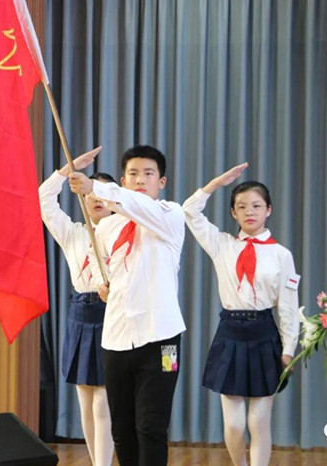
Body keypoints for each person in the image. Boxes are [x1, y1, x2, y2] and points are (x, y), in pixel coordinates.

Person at [68, 145, 186, 466]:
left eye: (148, 173)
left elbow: (135, 205)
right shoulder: (107, 227)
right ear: (123, 180)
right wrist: (101, 284)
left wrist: (95, 188)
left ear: (161, 181)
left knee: (151, 425)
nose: (140, 180)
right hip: (117, 338)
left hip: (163, 340)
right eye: (133, 174)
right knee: (121, 429)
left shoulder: (170, 215)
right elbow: (96, 261)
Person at [182, 162, 300, 466]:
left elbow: (288, 305)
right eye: (242, 206)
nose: (250, 212)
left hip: (264, 333)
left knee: (258, 421)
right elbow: (189, 212)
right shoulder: (221, 244)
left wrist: (289, 349)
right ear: (233, 213)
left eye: (257, 206)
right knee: (234, 425)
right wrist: (214, 185)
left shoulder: (281, 254)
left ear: (269, 210)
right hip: (230, 333)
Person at [39, 147, 115, 466]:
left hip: (112, 315)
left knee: (103, 399)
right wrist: (64, 172)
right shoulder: (73, 233)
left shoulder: (124, 235)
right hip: (81, 314)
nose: (96, 200)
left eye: (103, 194)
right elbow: (43, 199)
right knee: (85, 396)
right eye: (90, 193)